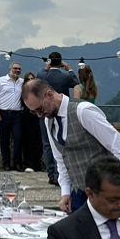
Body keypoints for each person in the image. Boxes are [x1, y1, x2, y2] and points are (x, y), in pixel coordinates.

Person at [22, 76, 120, 214]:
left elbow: (119, 147)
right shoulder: (48, 121)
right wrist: (65, 192)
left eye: (39, 109)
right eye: (34, 112)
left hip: (103, 192)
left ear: (49, 95)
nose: (39, 115)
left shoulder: (83, 111)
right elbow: (61, 159)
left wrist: (117, 185)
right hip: (78, 193)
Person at [40, 53, 78, 186]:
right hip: (62, 112)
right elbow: (77, 84)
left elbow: (38, 79)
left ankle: (51, 174)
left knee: (47, 144)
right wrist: (70, 69)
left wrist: (45, 67)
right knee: (61, 143)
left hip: (44, 112)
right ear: (61, 62)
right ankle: (62, 175)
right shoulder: (66, 76)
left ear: (49, 62)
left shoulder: (42, 75)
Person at [0, 61, 24, 172]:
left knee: (18, 138)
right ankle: (6, 164)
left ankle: (18, 163)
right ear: (10, 69)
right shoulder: (0, 81)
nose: (17, 70)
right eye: (15, 68)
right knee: (4, 140)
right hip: (3, 113)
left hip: (17, 114)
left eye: (19, 69)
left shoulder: (22, 82)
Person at [20, 72, 44, 172]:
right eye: (28, 79)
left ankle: (36, 164)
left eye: (32, 79)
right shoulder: (23, 92)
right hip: (27, 118)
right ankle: (28, 164)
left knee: (37, 141)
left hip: (36, 117)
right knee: (27, 141)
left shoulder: (39, 92)